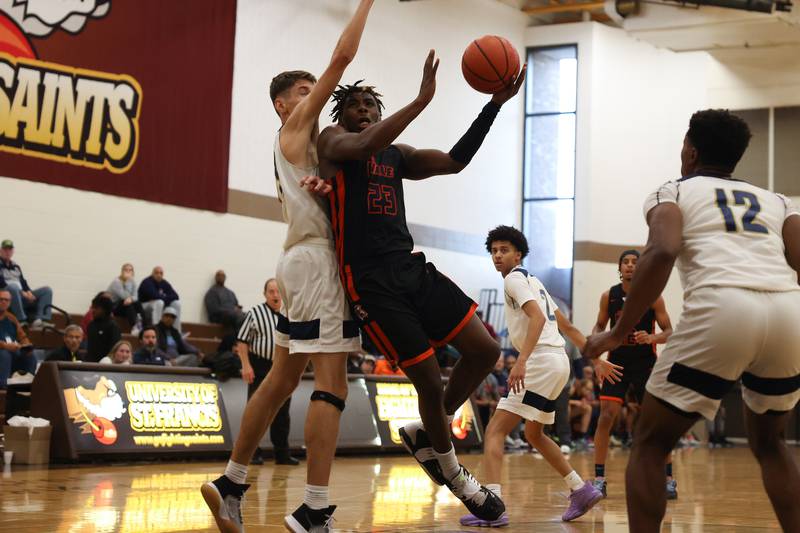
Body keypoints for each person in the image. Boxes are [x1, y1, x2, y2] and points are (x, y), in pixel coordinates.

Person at [310, 49, 526, 522]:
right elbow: (363, 146)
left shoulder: (397, 154)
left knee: (485, 351)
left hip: (410, 268)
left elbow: (454, 161)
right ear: (341, 114)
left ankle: (430, 429)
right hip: (369, 280)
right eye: (355, 104)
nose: (363, 109)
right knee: (427, 376)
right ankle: (454, 473)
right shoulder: (333, 142)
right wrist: (422, 101)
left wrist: (493, 106)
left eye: (370, 104)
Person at [583, 109, 800, 533]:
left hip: (723, 308)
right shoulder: (777, 201)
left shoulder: (673, 191)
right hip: (787, 313)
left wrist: (617, 333)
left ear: (691, 151)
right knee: (772, 444)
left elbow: (662, 250)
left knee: (649, 443)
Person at [201, 3, 374, 532]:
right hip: (315, 263)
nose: (314, 93)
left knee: (280, 379)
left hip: (298, 261)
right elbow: (342, 57)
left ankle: (231, 482)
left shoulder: (311, 146)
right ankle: (314, 509)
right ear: (282, 105)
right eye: (303, 90)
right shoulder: (296, 126)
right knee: (333, 384)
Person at [459, 225, 622, 526]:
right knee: (534, 434)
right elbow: (567, 327)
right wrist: (595, 359)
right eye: (494, 251)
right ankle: (580, 489)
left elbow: (536, 317)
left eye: (504, 250)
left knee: (494, 432)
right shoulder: (536, 282)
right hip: (558, 363)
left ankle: (492, 507)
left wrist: (521, 361)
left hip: (540, 361)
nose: (497, 255)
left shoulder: (513, 280)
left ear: (518, 254)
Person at [590, 249, 674, 500]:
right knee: (606, 416)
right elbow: (598, 326)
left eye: (634, 262)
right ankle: (599, 479)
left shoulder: (653, 296)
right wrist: (597, 355)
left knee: (656, 421)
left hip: (645, 364)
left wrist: (652, 338)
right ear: (619, 268)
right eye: (625, 262)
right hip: (617, 364)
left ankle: (668, 479)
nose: (629, 266)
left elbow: (669, 331)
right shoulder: (609, 296)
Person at [236, 278, 298, 466]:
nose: (275, 295)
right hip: (260, 366)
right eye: (271, 291)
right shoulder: (255, 313)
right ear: (265, 294)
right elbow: (242, 341)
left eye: (278, 291)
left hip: (283, 367)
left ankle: (282, 454)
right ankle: (252, 453)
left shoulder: (290, 314)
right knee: (256, 410)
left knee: (282, 413)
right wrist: (246, 365)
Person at [0, 240, 53, 329]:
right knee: (13, 287)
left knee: (47, 290)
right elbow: (2, 283)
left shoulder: (16, 266)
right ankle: (21, 320)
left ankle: (41, 320)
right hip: (7, 297)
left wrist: (28, 292)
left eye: (10, 249)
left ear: (13, 251)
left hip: (21, 296)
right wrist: (22, 292)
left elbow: (23, 282)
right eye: (5, 249)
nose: (7, 252)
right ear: (0, 250)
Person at [0, 288, 36, 389]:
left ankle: (26, 387)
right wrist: (5, 346)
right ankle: (3, 388)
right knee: (4, 354)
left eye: (6, 300)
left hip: (13, 350)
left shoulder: (11, 318)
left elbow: (22, 336)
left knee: (30, 355)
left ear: (10, 303)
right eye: (1, 299)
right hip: (3, 351)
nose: (3, 302)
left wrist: (26, 345)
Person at [138, 266, 181, 330]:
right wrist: (165, 297)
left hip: (157, 303)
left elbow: (176, 296)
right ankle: (157, 329)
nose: (159, 275)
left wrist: (164, 297)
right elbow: (154, 295)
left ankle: (176, 330)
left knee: (176, 303)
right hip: (144, 306)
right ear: (152, 274)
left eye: (161, 273)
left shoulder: (164, 283)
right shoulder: (147, 282)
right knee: (159, 302)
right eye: (156, 273)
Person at [108, 263, 146, 335]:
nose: (128, 272)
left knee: (137, 303)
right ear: (122, 272)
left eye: (130, 270)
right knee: (127, 303)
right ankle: (134, 326)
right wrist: (127, 281)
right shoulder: (116, 282)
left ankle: (144, 327)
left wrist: (131, 299)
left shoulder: (133, 281)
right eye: (126, 270)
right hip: (115, 306)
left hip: (125, 305)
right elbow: (124, 296)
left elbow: (136, 296)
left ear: (133, 272)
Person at [86, 293, 121, 363]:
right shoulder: (91, 325)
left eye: (96, 308)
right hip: (90, 363)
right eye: (92, 307)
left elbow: (114, 349)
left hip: (106, 365)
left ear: (105, 310)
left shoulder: (113, 327)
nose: (93, 310)